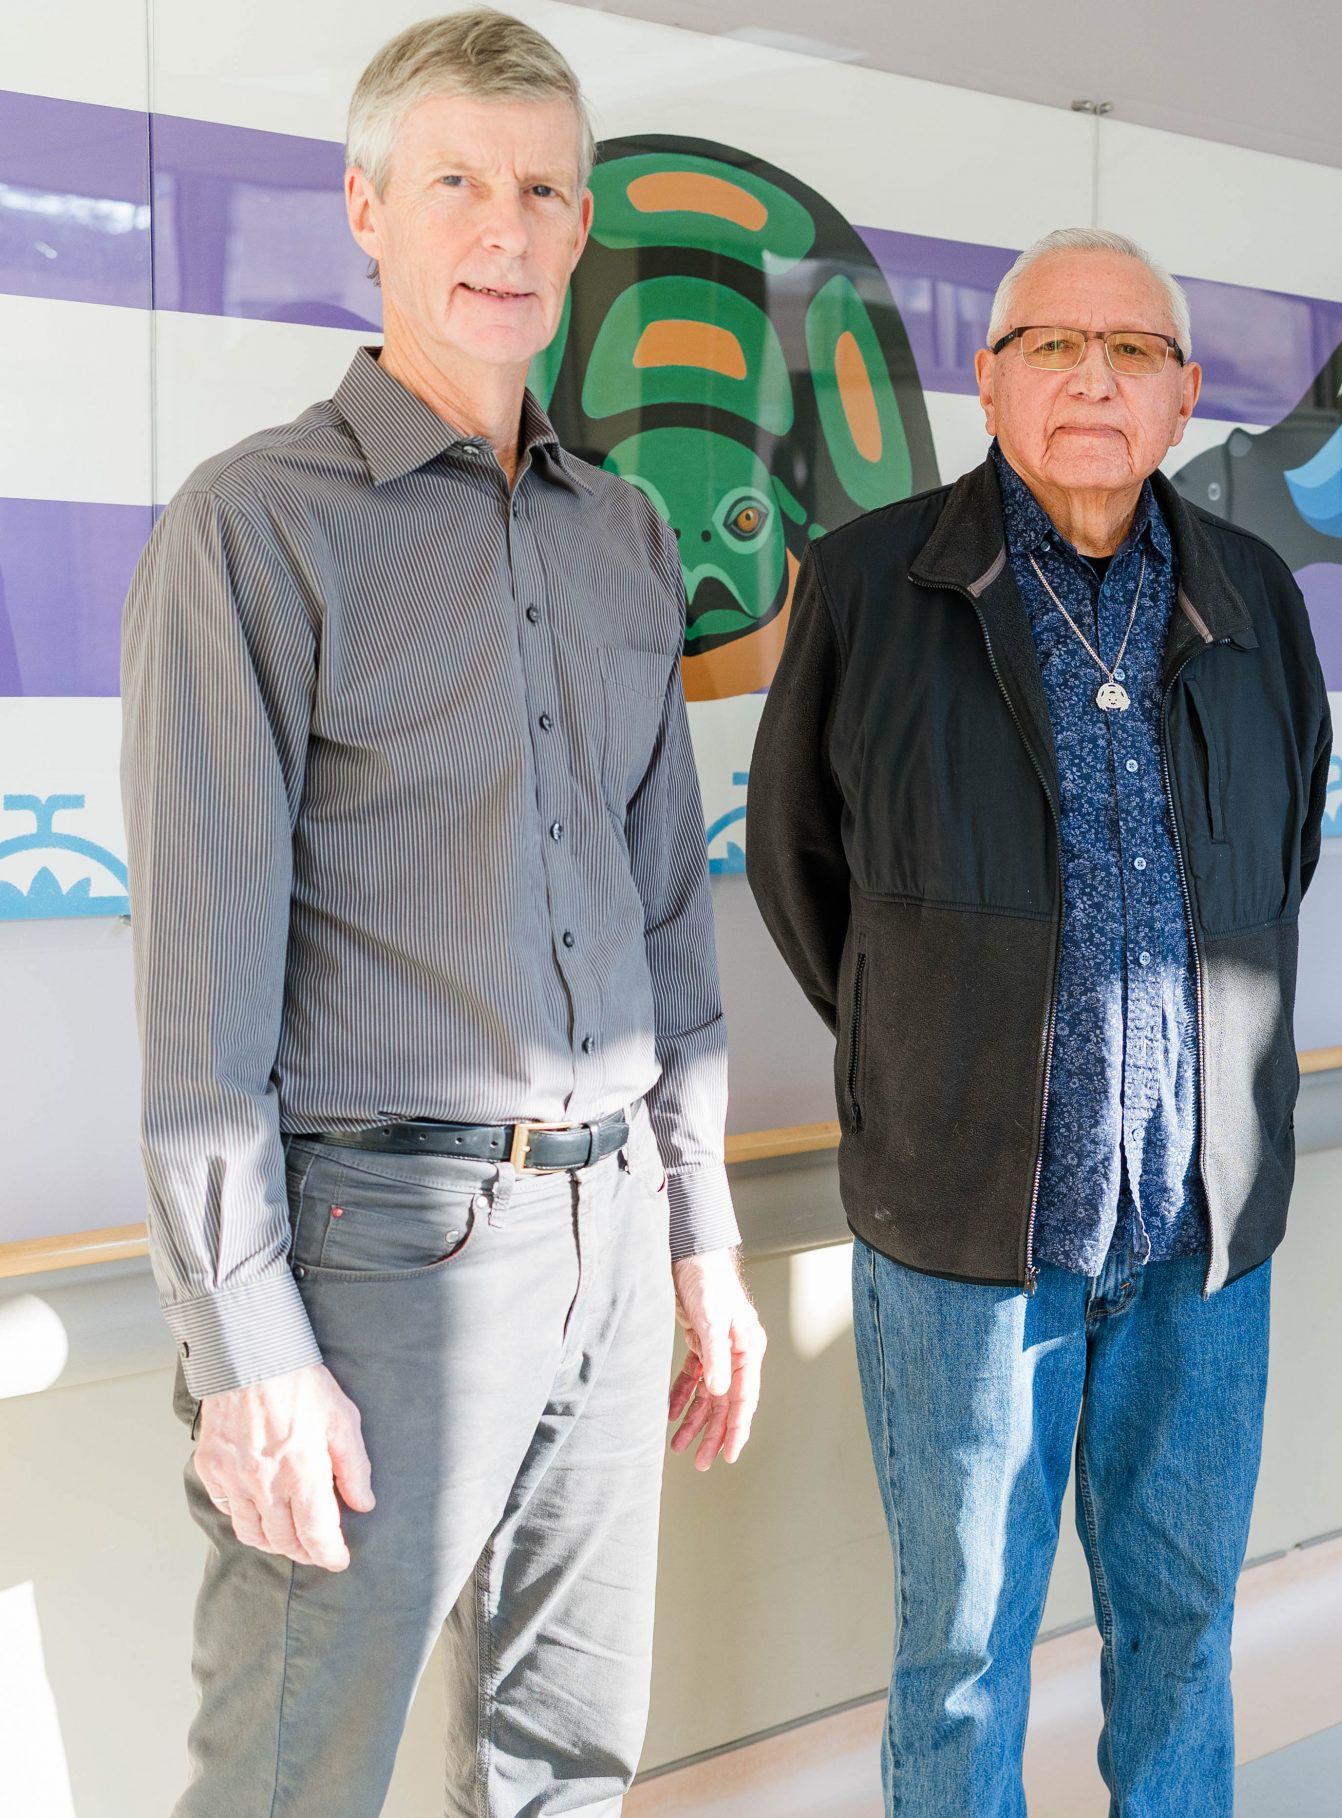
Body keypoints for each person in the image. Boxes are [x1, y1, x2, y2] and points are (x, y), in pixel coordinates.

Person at [119, 13, 765, 1813]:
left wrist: (699, 1231)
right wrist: (247, 1351)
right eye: (458, 181)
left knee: (569, 1764)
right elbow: (201, 999)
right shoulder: (255, 528)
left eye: (542, 189)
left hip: (615, 1233)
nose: (504, 223)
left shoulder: (625, 532)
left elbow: (665, 930)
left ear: (578, 232)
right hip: (376, 1248)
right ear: (367, 209)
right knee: (291, 1776)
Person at [745, 226, 1332, 1815]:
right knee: (958, 1650)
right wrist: (929, 1045)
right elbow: (800, 864)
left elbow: (1285, 853)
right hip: (967, 1233)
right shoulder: (873, 581)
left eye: (1132, 348)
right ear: (988, 379)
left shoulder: (1254, 598)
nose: (1092, 374)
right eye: (1052, 344)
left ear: (1187, 394)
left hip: (1197, 1241)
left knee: (1186, 1624)